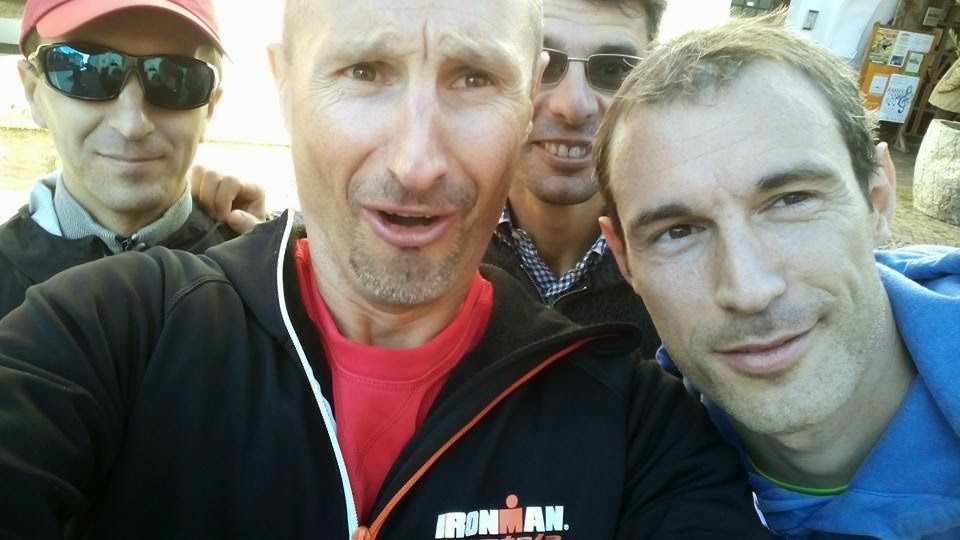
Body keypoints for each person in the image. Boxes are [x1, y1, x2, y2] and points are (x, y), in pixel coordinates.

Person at [0, 0, 770, 538]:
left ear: (526, 97)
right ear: (284, 85)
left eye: (474, 78)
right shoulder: (111, 330)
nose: (416, 162)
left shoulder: (635, 425)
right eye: (365, 71)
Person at [594, 14, 960, 538]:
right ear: (625, 259)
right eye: (678, 232)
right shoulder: (625, 458)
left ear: (878, 199)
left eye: (791, 201)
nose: (748, 290)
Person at [197, 0, 666, 359]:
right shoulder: (404, 236)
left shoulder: (685, 267)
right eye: (365, 72)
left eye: (613, 70)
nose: (573, 106)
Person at [0, 0, 234, 319]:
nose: (132, 125)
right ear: (33, 93)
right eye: (87, 71)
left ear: (209, 108)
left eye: (175, 79)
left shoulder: (266, 283)